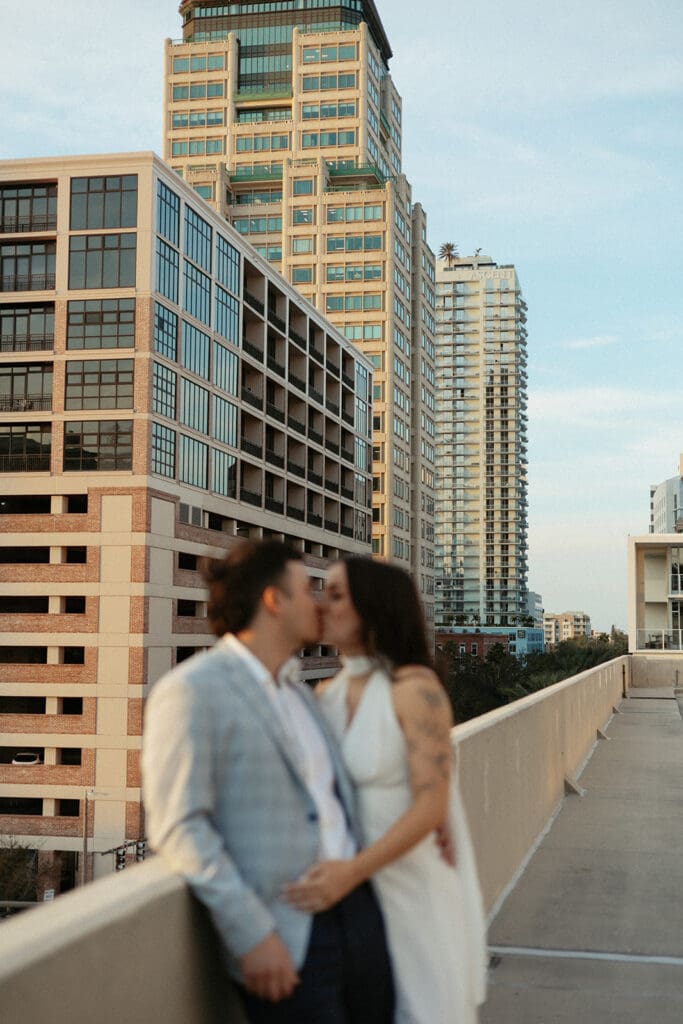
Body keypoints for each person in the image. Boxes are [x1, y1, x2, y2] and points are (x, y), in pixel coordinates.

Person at [141, 540, 394, 1024]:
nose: (319, 604)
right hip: (290, 938)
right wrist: (252, 934)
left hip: (359, 915)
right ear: (274, 601)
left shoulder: (299, 695)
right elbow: (180, 827)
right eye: (307, 590)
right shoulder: (191, 690)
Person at [284, 556, 488, 1024]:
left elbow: (431, 803)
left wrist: (350, 872)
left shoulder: (414, 689)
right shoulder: (323, 695)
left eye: (336, 595)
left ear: (371, 607)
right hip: (354, 901)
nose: (323, 605)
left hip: (410, 886)